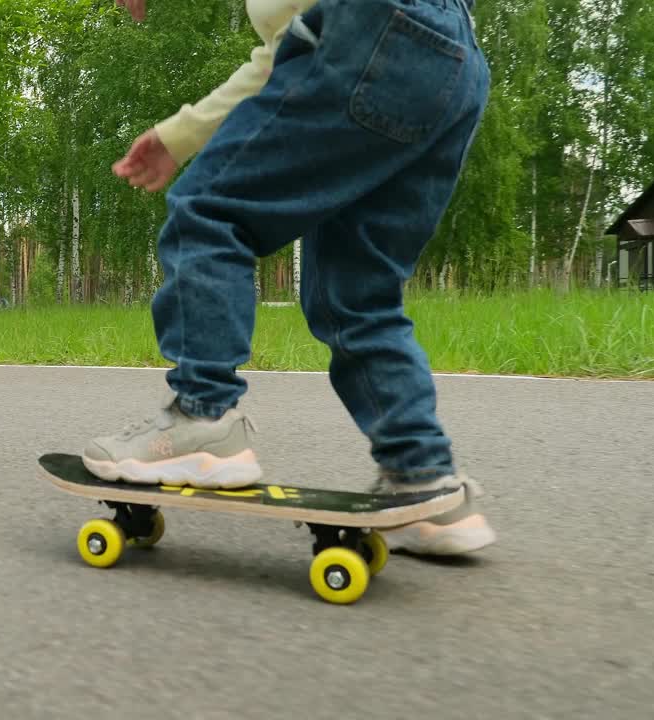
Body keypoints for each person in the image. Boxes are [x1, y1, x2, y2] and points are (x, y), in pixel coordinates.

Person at [83, 0, 496, 555]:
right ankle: (424, 480)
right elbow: (283, 57)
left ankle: (203, 418)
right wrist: (178, 136)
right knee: (356, 294)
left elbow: (321, 45)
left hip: (371, 30)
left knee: (207, 213)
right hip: (450, 58)